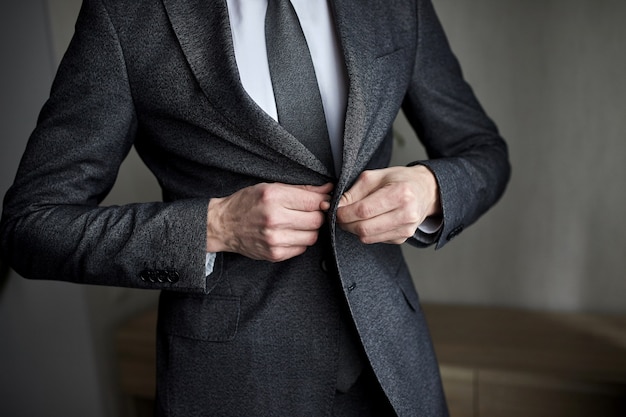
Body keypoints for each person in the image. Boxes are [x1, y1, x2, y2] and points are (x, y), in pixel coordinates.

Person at [0, 0, 510, 415]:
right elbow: (32, 224)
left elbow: (484, 153)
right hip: (233, 383)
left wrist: (430, 189)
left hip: (395, 373)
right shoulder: (127, 16)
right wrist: (213, 226)